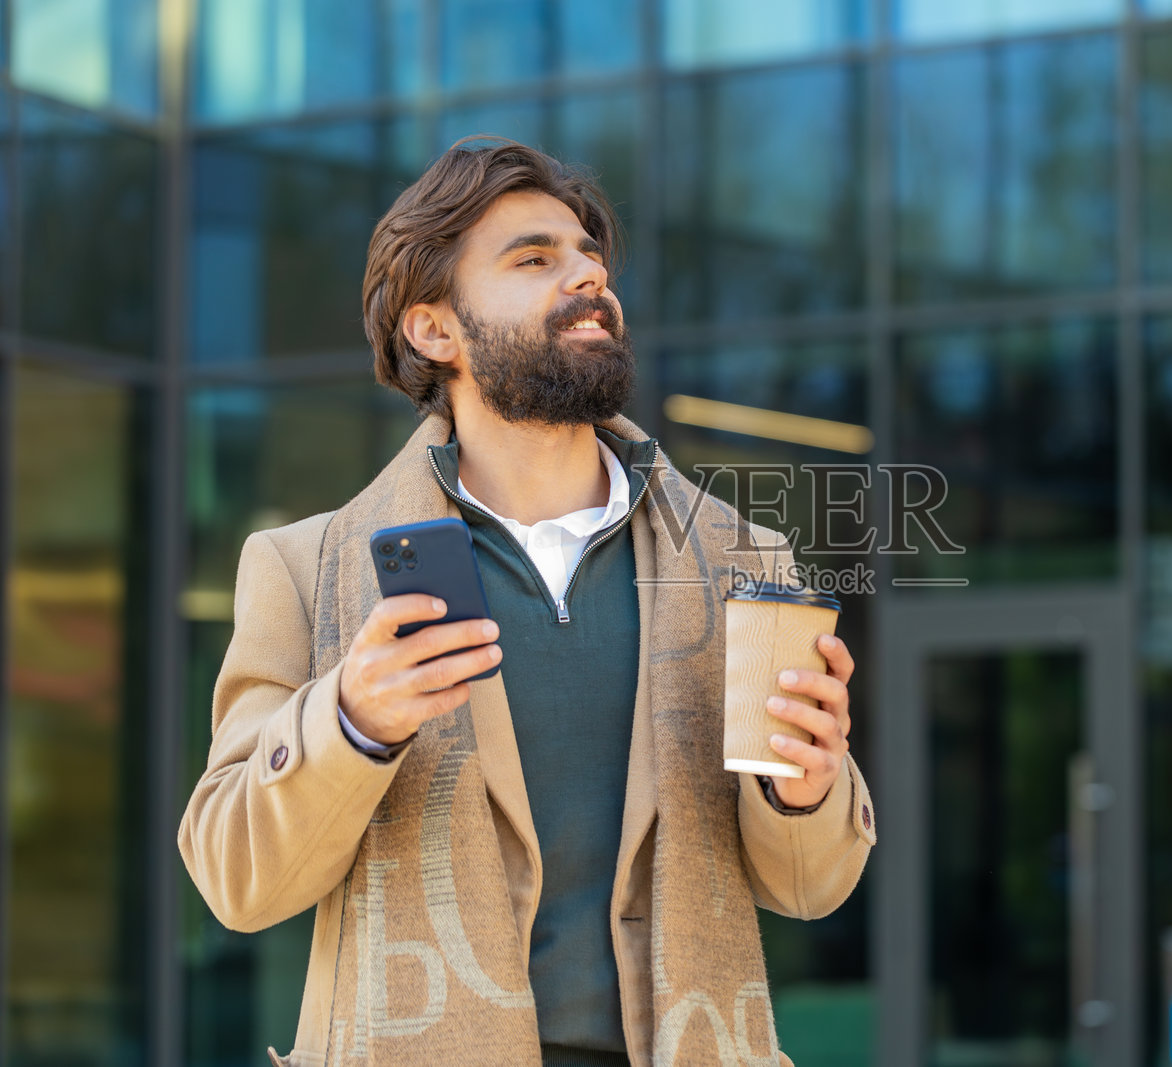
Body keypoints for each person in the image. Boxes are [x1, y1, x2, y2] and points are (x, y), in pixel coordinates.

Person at [178, 137, 875, 1067]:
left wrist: (806, 790)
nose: (588, 276)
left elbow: (810, 888)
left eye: (590, 256)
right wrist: (351, 721)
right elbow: (237, 877)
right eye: (536, 259)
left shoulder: (743, 561)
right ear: (436, 330)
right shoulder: (307, 569)